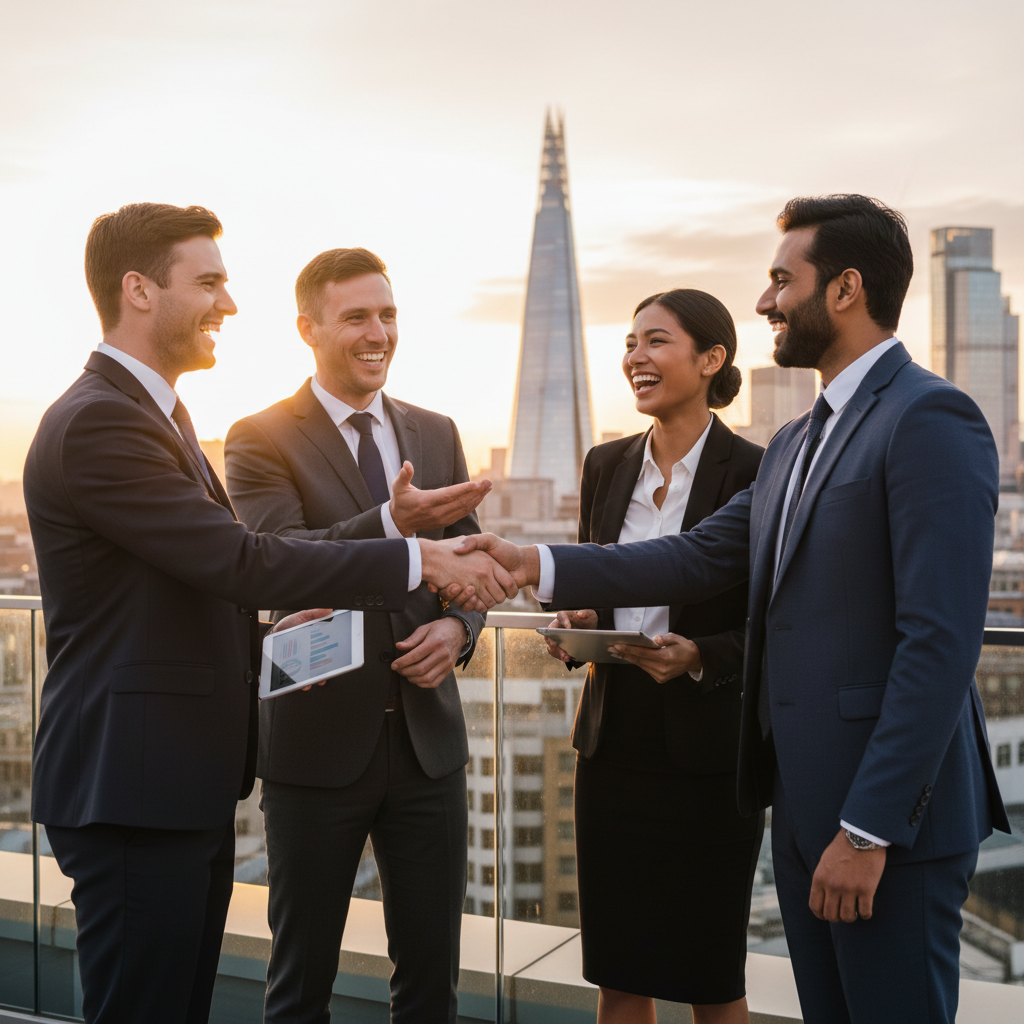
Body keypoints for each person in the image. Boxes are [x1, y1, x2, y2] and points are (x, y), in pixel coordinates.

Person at [450, 195, 1010, 1024]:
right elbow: (699, 553)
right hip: (800, 808)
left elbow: (939, 644)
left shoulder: (929, 417)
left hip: (884, 824)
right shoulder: (794, 440)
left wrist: (867, 830)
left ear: (846, 289)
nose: (765, 301)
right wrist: (533, 562)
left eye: (783, 280)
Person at [22, 203, 515, 1024]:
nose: (227, 303)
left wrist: (453, 614)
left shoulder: (160, 414)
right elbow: (246, 560)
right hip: (138, 780)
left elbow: (192, 581)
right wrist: (410, 549)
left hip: (177, 778)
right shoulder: (105, 419)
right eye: (209, 281)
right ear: (138, 290)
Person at [224, 247, 486, 1024]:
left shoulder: (435, 433)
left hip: (428, 750)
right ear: (309, 329)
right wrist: (390, 526)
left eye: (389, 315)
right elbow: (280, 561)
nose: (379, 333)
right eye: (357, 317)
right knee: (300, 981)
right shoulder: (258, 435)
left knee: (431, 985)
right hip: (315, 748)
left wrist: (458, 629)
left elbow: (469, 563)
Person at [542, 289, 763, 1024]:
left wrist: (701, 653)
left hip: (709, 752)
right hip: (613, 746)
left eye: (656, 342)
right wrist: (576, 618)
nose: (636, 357)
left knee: (711, 977)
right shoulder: (606, 465)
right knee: (619, 971)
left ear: (710, 360)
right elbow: (602, 584)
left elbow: (775, 618)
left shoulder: (756, 471)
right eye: (631, 343)